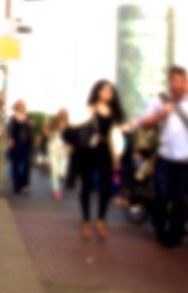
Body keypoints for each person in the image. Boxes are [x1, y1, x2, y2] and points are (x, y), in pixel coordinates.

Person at [137, 65, 188, 247]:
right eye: (172, 81)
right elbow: (144, 121)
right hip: (165, 158)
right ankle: (159, 229)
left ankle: (174, 236)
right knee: (162, 195)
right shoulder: (161, 100)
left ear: (185, 82)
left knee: (179, 198)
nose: (175, 85)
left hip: (184, 161)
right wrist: (161, 114)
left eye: (179, 82)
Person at [69, 80, 125, 239]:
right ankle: (86, 220)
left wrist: (117, 155)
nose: (108, 93)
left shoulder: (115, 113)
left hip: (106, 151)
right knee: (86, 185)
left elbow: (118, 136)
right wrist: (90, 113)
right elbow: (74, 124)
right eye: (104, 90)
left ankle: (101, 220)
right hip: (89, 150)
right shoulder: (89, 109)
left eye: (110, 91)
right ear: (97, 92)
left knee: (106, 187)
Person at [6, 100, 33, 194]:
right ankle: (17, 186)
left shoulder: (28, 117)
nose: (22, 106)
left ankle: (24, 185)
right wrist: (10, 139)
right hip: (16, 144)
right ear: (17, 106)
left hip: (26, 144)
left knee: (26, 165)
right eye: (20, 105)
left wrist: (30, 125)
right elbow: (10, 129)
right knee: (16, 165)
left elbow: (30, 130)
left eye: (23, 105)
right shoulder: (13, 118)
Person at [45, 108, 71, 201]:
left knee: (62, 173)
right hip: (53, 151)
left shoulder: (69, 126)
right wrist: (47, 131)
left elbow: (73, 138)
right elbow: (46, 131)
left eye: (64, 115)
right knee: (54, 172)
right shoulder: (53, 125)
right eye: (61, 114)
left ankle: (58, 187)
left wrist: (70, 146)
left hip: (64, 152)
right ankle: (56, 191)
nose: (62, 116)